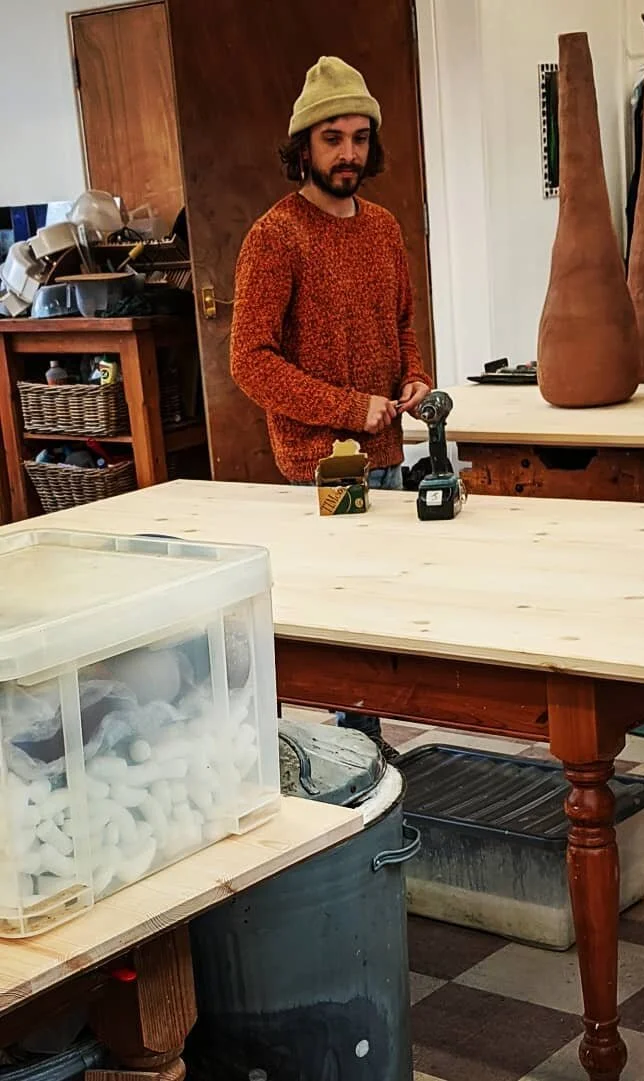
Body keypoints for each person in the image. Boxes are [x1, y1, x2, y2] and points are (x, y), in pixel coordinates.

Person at [230, 56, 432, 759]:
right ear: (303, 146)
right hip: (320, 467)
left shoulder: (382, 228)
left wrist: (414, 376)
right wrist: (351, 408)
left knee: (387, 611)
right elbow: (249, 361)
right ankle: (357, 758)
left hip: (388, 452)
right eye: (332, 137)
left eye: (359, 137)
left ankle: (369, 755)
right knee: (346, 621)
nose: (349, 153)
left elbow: (401, 322)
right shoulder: (274, 237)